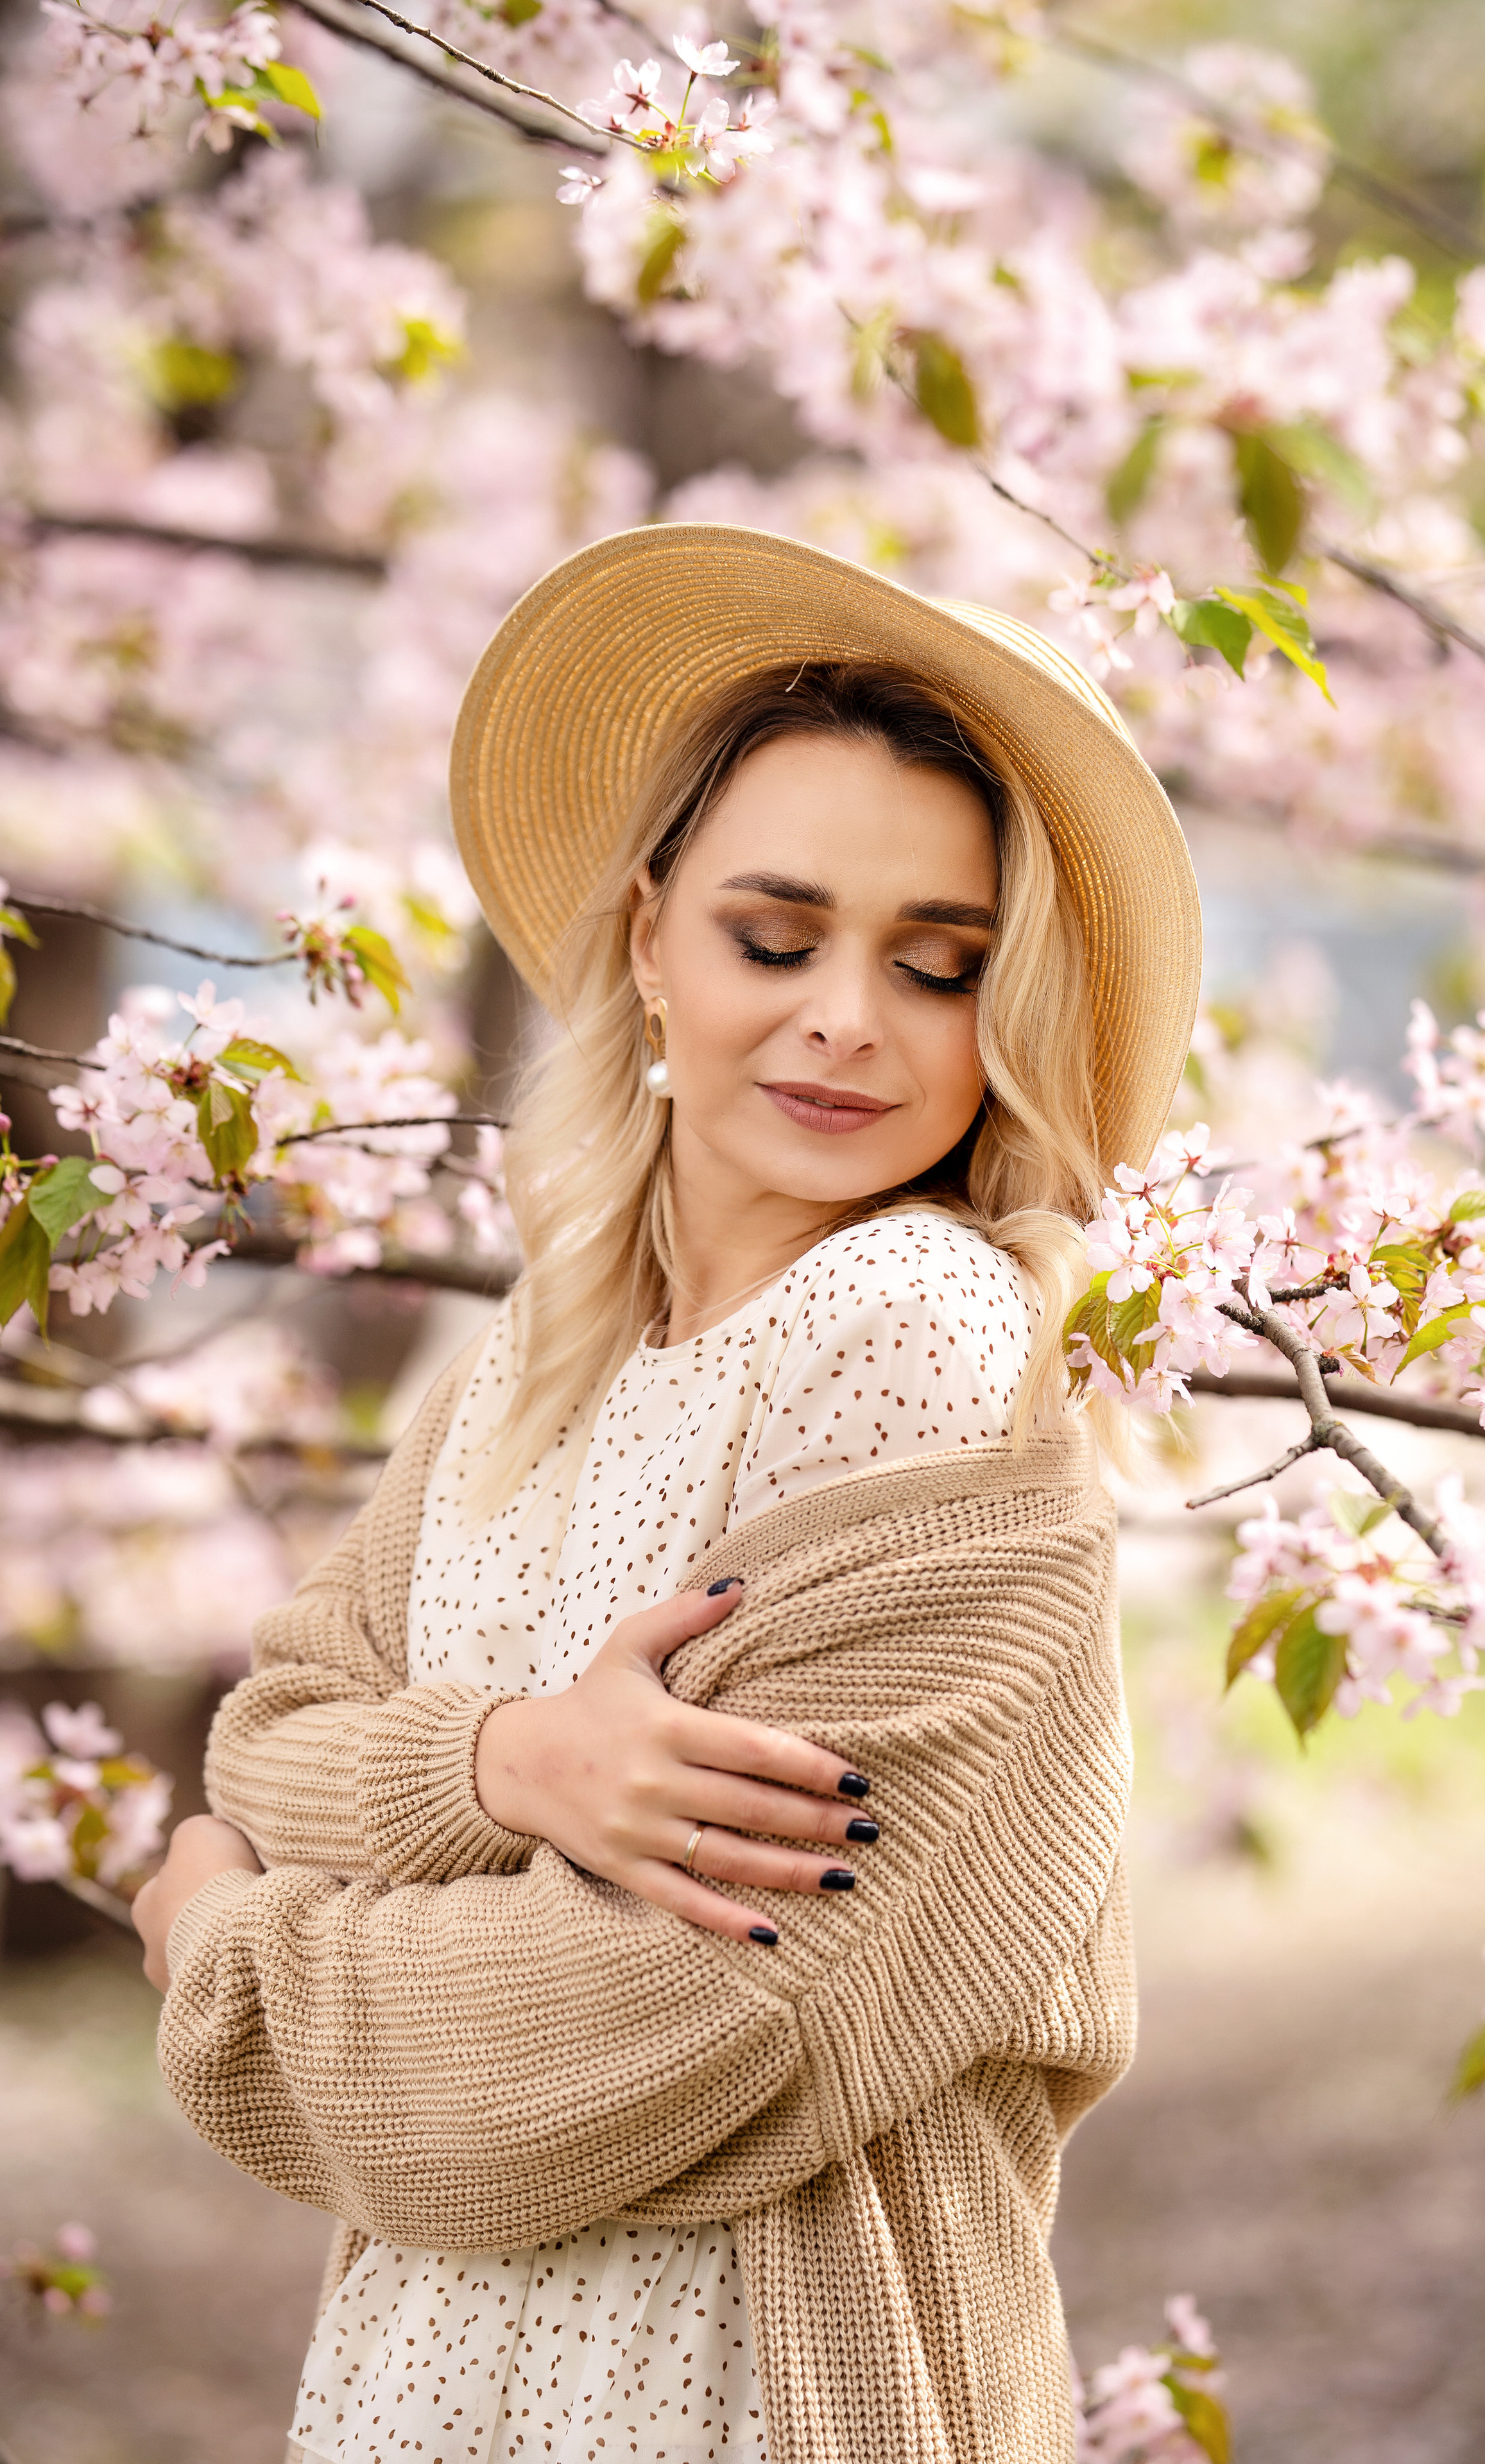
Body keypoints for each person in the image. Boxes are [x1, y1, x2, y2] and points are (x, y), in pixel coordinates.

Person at [135, 523, 1201, 2464]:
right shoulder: (537, 1364)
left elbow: (658, 2028)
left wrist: (220, 1949)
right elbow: (274, 1738)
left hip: (749, 2392)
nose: (846, 1021)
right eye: (773, 937)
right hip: (420, 2390)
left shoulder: (911, 1326)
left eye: (939, 967)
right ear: (646, 936)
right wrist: (504, 1769)